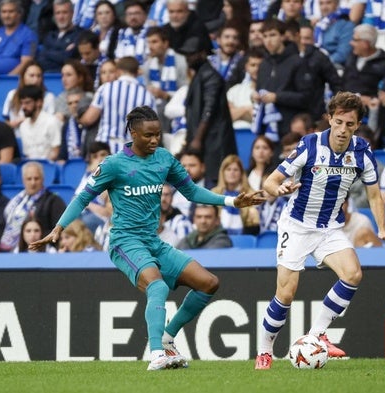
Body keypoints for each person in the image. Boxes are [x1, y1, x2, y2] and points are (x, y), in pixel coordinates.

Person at [29, 106, 265, 371]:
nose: (154, 140)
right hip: (124, 241)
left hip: (152, 241)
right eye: (148, 135)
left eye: (158, 135)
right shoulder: (114, 164)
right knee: (158, 287)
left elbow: (191, 191)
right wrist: (59, 227)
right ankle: (156, 354)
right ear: (133, 133)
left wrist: (232, 200)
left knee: (208, 283)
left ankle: (166, 338)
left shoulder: (163, 159)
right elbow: (83, 197)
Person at [255, 92, 385, 369]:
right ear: (329, 119)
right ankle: (264, 350)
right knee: (285, 294)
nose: (343, 130)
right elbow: (271, 181)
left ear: (357, 125)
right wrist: (280, 189)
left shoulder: (362, 151)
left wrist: (382, 227)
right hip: (296, 225)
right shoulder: (309, 145)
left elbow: (374, 194)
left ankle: (317, 334)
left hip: (329, 227)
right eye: (339, 122)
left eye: (350, 124)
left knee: (353, 273)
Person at [181, 38, 238, 188]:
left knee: (214, 180)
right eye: (186, 55)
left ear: (202, 54)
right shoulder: (201, 74)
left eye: (192, 54)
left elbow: (209, 109)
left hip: (214, 141)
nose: (188, 58)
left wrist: (197, 138)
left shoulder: (211, 76)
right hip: (207, 139)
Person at [80, 56, 156, 154]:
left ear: (118, 71)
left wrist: (79, 120)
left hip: (105, 148)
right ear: (137, 72)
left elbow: (89, 119)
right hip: (133, 151)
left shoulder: (105, 88)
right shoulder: (147, 95)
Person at [0, 161, 66, 252]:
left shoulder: (54, 201)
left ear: (43, 179)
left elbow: (59, 231)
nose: (33, 183)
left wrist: (36, 236)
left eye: (36, 178)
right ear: (23, 180)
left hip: (43, 250)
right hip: (13, 250)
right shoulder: (15, 202)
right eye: (29, 179)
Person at [0, 0, 38, 81]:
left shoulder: (29, 35)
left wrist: (7, 80)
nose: (7, 15)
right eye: (4, 12)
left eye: (11, 12)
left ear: (19, 14)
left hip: (16, 81)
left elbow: (26, 62)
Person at [343, 24, 385, 105]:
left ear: (366, 44)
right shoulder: (351, 57)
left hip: (370, 110)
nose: (351, 43)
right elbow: (342, 82)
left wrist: (371, 100)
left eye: (355, 40)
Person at [212, 154, 261, 236]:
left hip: (245, 236)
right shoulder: (214, 193)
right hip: (217, 236)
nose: (232, 173)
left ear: (241, 173)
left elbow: (254, 224)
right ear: (223, 172)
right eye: (228, 169)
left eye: (235, 170)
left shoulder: (251, 194)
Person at [3, 60, 56, 135]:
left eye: (39, 76)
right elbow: (6, 122)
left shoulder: (49, 97)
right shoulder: (12, 94)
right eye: (32, 75)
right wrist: (16, 123)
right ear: (23, 77)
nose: (36, 80)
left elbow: (51, 124)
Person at [36, 0, 83, 73]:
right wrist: (62, 54)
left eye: (65, 12)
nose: (61, 17)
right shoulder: (50, 36)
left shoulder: (80, 34)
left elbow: (68, 59)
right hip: (48, 79)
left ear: (72, 13)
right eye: (58, 13)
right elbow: (40, 60)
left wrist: (47, 53)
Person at [18, 85, 63, 160]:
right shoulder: (23, 126)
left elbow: (56, 152)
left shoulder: (51, 121)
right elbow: (27, 154)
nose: (23, 107)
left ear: (39, 102)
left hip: (49, 165)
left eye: (27, 103)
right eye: (22, 103)